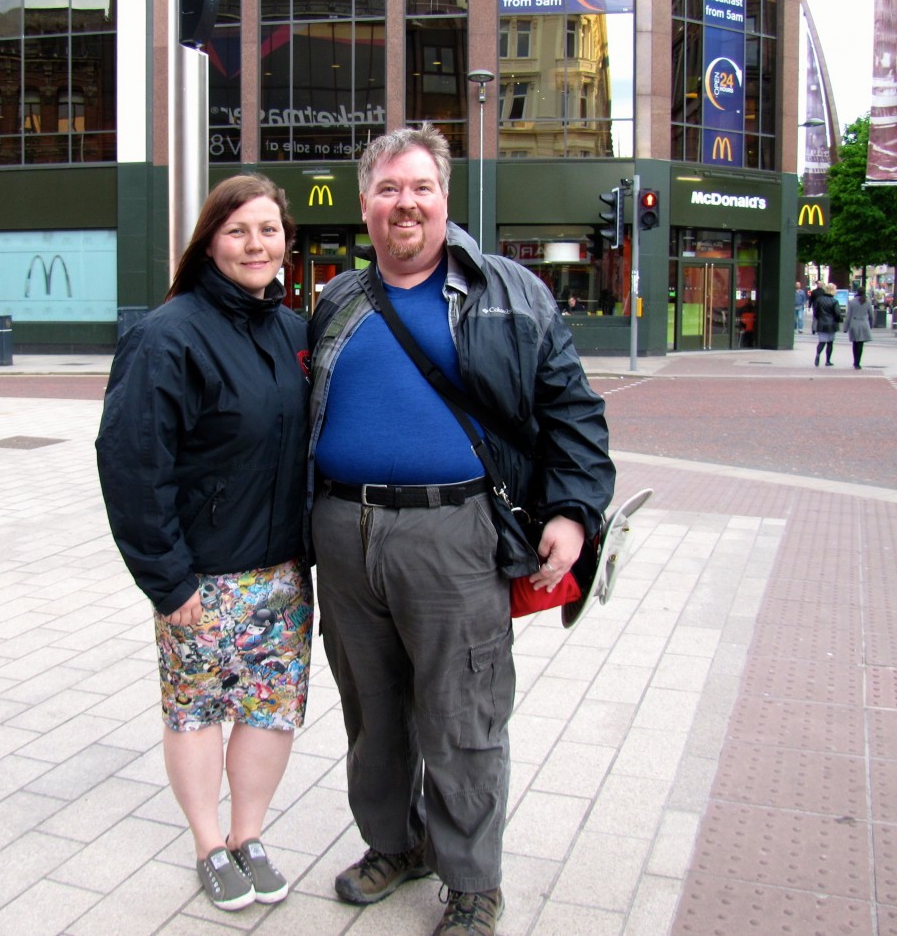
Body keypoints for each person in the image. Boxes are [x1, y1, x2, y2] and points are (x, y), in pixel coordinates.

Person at [306, 124, 615, 935]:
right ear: (365, 202)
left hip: (455, 534)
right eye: (388, 189)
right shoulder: (336, 301)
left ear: (444, 199)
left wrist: (574, 513)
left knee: (463, 715)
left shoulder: (512, 293)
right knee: (371, 713)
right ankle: (394, 843)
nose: (404, 203)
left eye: (420, 189)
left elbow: (572, 412)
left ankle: (474, 883)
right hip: (341, 533)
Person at [96, 174, 313, 914]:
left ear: (287, 241)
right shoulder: (167, 335)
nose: (257, 244)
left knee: (269, 710)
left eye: (270, 230)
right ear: (210, 241)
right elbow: (131, 463)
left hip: (282, 573)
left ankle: (250, 835)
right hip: (200, 581)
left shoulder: (293, 331)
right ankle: (207, 844)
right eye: (238, 230)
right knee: (195, 712)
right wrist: (169, 580)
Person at [812, 281, 843, 367]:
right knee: (830, 342)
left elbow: (815, 312)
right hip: (831, 324)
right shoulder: (834, 301)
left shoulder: (819, 300)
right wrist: (839, 320)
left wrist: (819, 318)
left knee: (821, 341)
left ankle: (818, 354)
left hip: (821, 323)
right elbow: (837, 313)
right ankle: (828, 360)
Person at [843, 288, 874, 369]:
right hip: (864, 324)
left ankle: (855, 361)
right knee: (861, 344)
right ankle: (858, 363)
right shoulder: (867, 302)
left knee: (855, 343)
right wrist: (871, 325)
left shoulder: (851, 302)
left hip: (854, 324)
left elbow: (848, 316)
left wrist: (845, 327)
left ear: (857, 292)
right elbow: (871, 315)